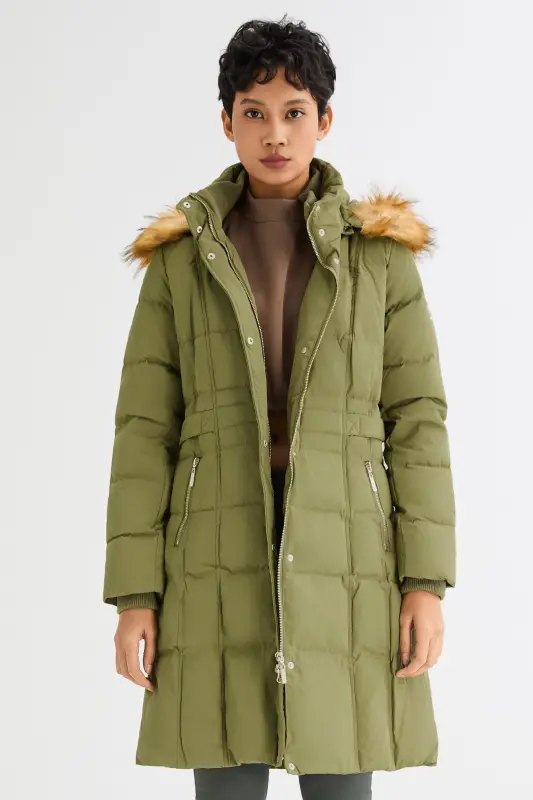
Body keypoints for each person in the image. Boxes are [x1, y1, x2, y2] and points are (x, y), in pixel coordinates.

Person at [103, 14, 456, 800]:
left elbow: (417, 423)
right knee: (226, 773)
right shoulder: (180, 262)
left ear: (323, 121)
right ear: (226, 122)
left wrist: (424, 583)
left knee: (341, 780)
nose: (274, 133)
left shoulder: (379, 258)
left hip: (349, 554)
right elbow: (144, 432)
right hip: (212, 548)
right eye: (253, 112)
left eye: (293, 112)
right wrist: (135, 597)